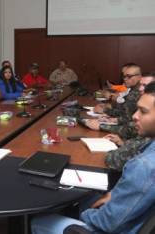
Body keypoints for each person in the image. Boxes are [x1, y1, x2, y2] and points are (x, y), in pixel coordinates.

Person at [31, 82, 155, 234]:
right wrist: (115, 195)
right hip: (131, 218)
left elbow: (107, 223)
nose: (135, 116)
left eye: (143, 111)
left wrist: (81, 213)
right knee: (90, 196)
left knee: (39, 220)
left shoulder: (145, 166)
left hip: (107, 228)